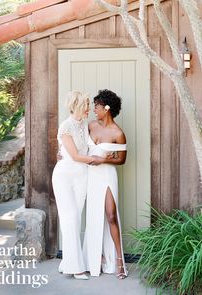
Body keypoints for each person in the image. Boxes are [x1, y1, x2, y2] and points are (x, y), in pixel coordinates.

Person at [52, 91, 103, 280]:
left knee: (76, 218)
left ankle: (67, 260)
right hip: (65, 176)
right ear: (77, 106)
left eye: (90, 105)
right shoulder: (66, 126)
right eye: (86, 106)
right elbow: (74, 156)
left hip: (82, 176)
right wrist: (98, 159)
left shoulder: (84, 125)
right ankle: (75, 268)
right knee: (70, 218)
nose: (89, 109)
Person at [83, 89, 128, 279]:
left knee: (110, 216)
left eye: (97, 106)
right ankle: (95, 258)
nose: (94, 110)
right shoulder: (91, 126)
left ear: (107, 108)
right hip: (90, 176)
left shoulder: (118, 133)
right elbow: (79, 146)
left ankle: (119, 261)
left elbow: (122, 160)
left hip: (108, 176)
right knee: (93, 216)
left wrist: (104, 160)